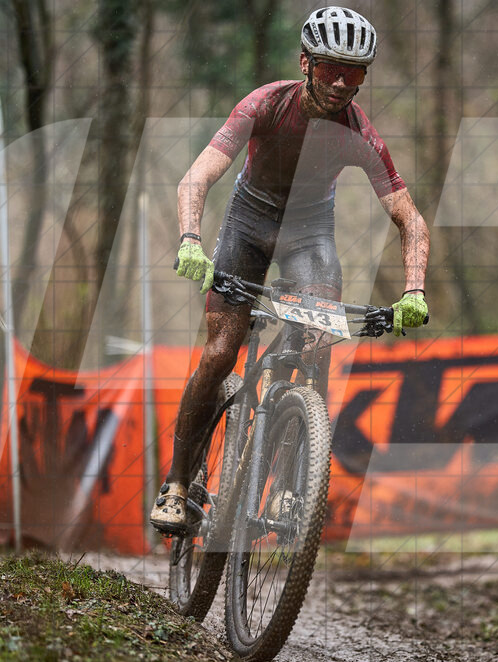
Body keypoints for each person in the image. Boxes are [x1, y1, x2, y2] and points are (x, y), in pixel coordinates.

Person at [150, 6, 430, 535]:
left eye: (356, 71)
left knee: (317, 343)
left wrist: (414, 291)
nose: (343, 81)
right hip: (248, 221)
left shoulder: (360, 135)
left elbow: (410, 221)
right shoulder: (264, 104)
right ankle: (178, 484)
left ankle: (283, 485)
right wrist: (190, 239)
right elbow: (197, 178)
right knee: (219, 352)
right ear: (305, 63)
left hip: (309, 234)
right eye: (330, 67)